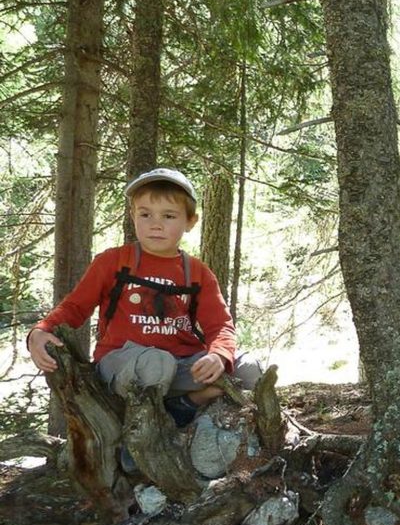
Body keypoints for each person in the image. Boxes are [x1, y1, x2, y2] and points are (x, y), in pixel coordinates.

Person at [28, 168, 260, 431]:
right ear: (133, 216)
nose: (155, 224)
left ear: (190, 221)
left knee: (248, 367)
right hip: (123, 363)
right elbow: (75, 306)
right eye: (145, 214)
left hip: (182, 365)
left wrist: (218, 356)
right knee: (156, 363)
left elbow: (220, 325)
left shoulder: (197, 272)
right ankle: (148, 430)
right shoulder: (113, 261)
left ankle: (186, 407)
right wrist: (42, 329)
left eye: (168, 216)